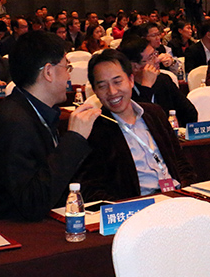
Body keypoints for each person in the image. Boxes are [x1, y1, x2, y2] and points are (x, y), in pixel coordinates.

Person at [0, 31, 100, 221]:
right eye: (67, 67)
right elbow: (32, 203)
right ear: (48, 72)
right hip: (14, 227)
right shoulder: (14, 122)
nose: (69, 76)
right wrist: (74, 140)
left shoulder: (34, 110)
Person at [72, 49, 195, 200]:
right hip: (138, 205)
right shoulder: (94, 129)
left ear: (130, 80)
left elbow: (181, 162)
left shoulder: (154, 113)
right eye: (102, 86)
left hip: (175, 197)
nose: (112, 92)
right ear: (95, 91)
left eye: (117, 82)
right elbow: (91, 189)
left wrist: (183, 192)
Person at [118, 37, 198, 126]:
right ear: (135, 66)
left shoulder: (163, 80)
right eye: (151, 58)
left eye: (155, 54)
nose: (157, 60)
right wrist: (146, 87)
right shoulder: (124, 89)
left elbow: (190, 112)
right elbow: (138, 122)